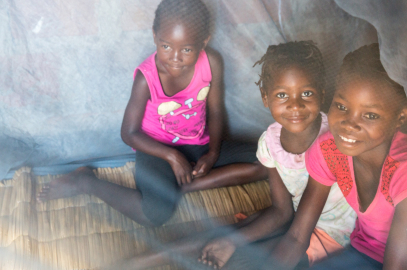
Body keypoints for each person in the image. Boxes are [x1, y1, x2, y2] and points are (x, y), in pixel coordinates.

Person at [100, 41, 356, 270]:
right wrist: (229, 241)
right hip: (294, 219)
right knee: (220, 239)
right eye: (281, 95)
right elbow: (281, 212)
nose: (295, 105)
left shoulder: (330, 144)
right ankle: (142, 261)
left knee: (238, 261)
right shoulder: (270, 142)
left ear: (322, 94)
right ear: (266, 98)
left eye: (307, 94)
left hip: (330, 235)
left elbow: (298, 237)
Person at [37, 0, 267, 228]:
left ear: (203, 42)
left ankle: (182, 187)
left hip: (198, 142)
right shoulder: (146, 78)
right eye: (166, 46)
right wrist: (173, 157)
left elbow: (216, 110)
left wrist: (213, 154)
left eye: (186, 49)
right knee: (154, 214)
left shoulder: (212, 62)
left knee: (268, 161)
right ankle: (86, 183)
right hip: (156, 149)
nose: (175, 57)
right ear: (155, 37)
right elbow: (129, 133)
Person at [271, 43, 407, 270]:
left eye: (370, 115)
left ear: (400, 117)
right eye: (341, 106)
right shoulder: (328, 151)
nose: (349, 124)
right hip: (365, 251)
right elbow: (297, 237)